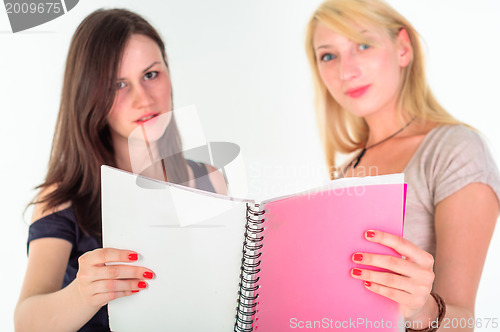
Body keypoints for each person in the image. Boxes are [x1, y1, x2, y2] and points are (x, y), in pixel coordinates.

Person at [14, 8, 226, 332]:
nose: (143, 98)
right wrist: (82, 294)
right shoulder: (62, 198)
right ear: (90, 95)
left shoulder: (210, 179)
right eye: (118, 84)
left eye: (151, 74)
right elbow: (26, 322)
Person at [305, 0, 500, 330]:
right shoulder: (347, 170)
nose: (345, 71)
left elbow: (464, 320)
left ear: (403, 49)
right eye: (329, 55)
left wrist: (420, 309)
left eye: (363, 45)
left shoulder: (454, 150)